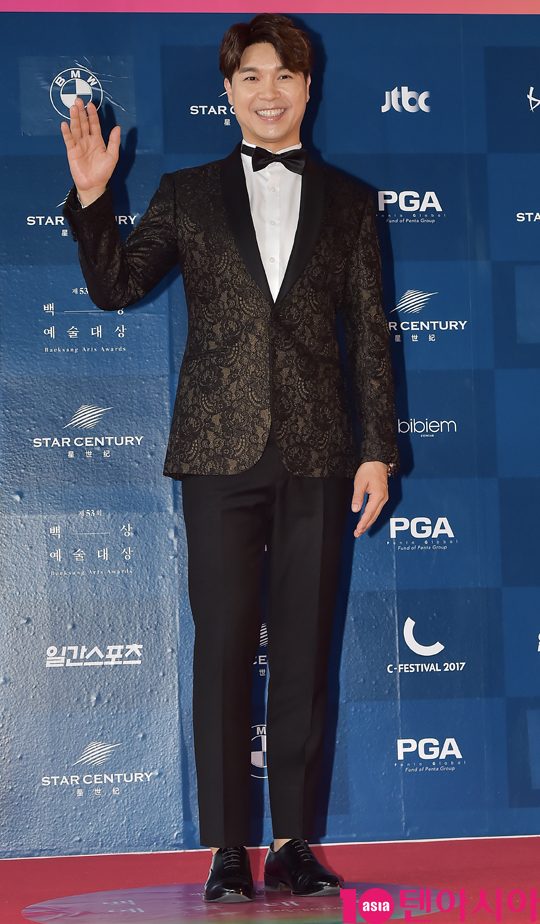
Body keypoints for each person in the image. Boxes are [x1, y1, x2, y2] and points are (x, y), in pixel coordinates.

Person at [61, 12, 399, 904]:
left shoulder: (352, 202)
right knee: (220, 649)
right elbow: (117, 289)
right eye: (251, 75)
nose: (269, 91)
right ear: (228, 92)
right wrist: (94, 202)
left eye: (285, 74)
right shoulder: (187, 192)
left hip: (320, 451)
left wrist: (378, 451)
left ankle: (292, 843)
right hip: (218, 452)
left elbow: (371, 337)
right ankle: (224, 849)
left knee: (305, 651)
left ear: (308, 88)